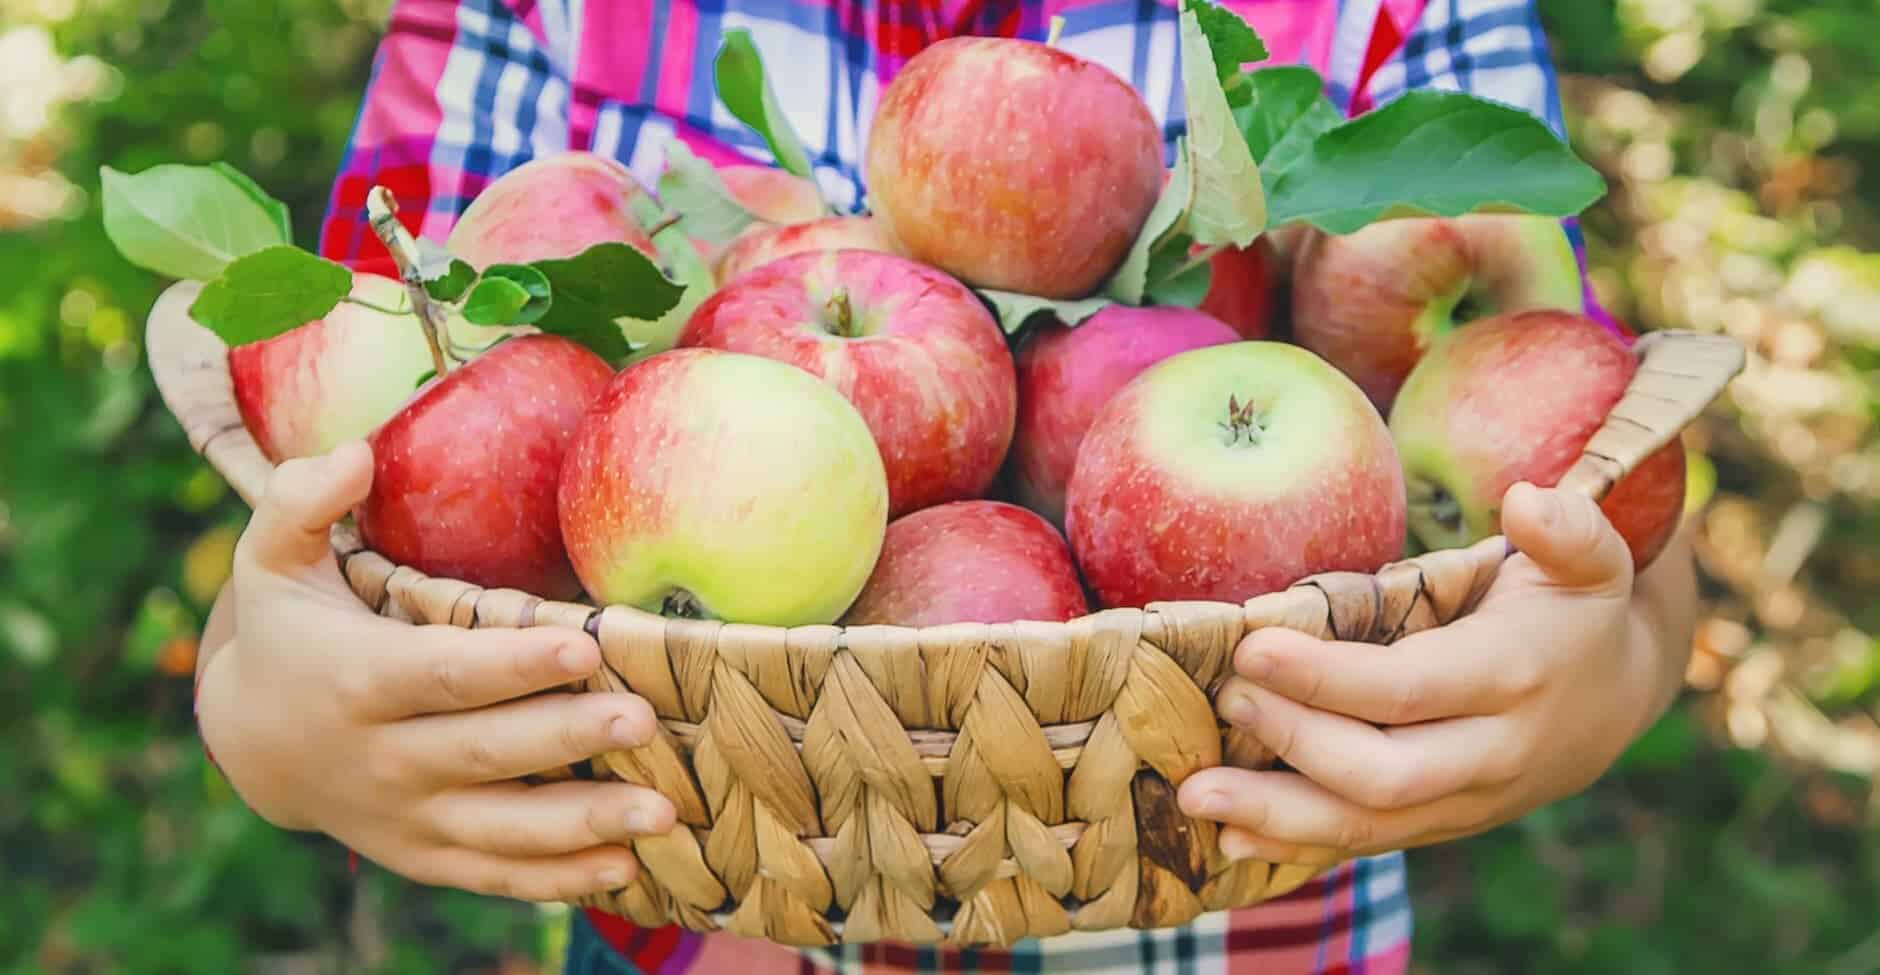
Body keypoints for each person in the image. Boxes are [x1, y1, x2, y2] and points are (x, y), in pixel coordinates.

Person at [189, 0, 1700, 972]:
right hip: (696, 929)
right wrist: (264, 713)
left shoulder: (1381, 14)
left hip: (1252, 929)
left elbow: (1591, 486)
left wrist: (1610, 671)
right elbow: (345, 483)